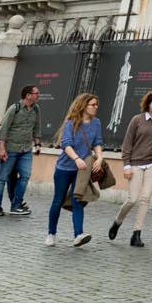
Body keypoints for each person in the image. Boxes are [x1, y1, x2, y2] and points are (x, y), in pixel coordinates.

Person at [108, 91, 152, 248]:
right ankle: (117, 222)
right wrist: (126, 165)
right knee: (132, 199)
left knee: (145, 199)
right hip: (135, 163)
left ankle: (137, 233)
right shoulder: (137, 120)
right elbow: (127, 144)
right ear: (148, 104)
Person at [45, 92, 102, 248]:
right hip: (65, 167)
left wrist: (100, 157)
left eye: (97, 105)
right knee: (58, 200)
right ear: (84, 106)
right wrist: (76, 159)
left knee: (78, 199)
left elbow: (97, 142)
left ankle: (78, 235)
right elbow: (66, 144)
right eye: (93, 105)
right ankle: (51, 234)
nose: (95, 107)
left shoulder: (96, 123)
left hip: (82, 169)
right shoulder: (71, 123)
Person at [0, 85, 42, 216]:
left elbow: (37, 127)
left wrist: (37, 144)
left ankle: (16, 205)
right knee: (2, 178)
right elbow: (3, 129)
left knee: (25, 175)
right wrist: (1, 148)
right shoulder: (14, 108)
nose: (38, 95)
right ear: (28, 95)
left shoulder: (36, 109)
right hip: (11, 148)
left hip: (26, 149)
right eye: (36, 93)